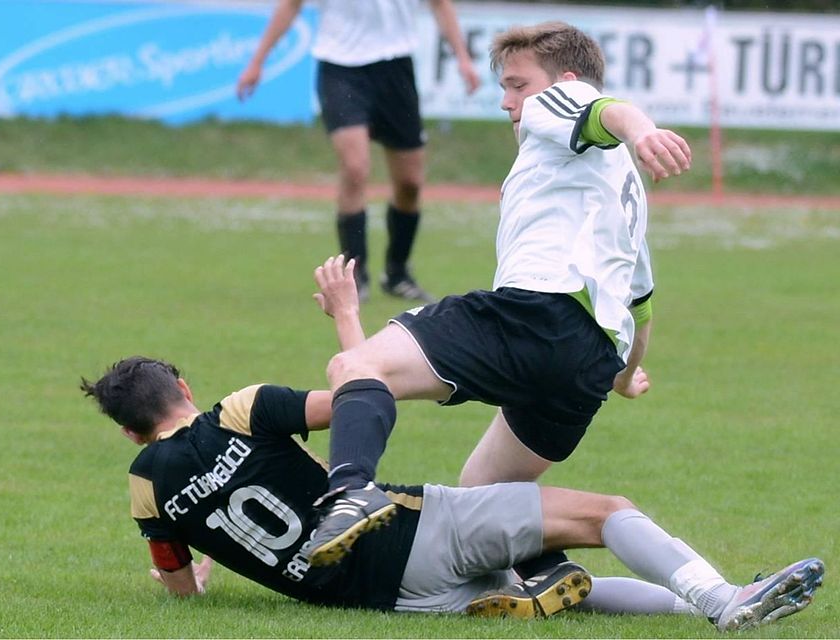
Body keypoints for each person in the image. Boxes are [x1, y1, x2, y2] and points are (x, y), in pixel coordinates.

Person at [305, 22, 693, 579]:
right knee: (483, 493)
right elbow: (642, 306)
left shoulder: (558, 105)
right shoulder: (614, 184)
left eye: (516, 85)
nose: (507, 102)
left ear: (564, 80)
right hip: (593, 359)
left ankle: (348, 494)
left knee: (357, 365)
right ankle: (556, 577)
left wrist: (644, 130)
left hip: (537, 313)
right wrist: (627, 375)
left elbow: (609, 109)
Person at [80, 356, 823, 631]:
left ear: (127, 433)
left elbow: (177, 586)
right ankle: (725, 601)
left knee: (575, 590)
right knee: (606, 513)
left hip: (368, 598)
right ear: (182, 388)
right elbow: (358, 399)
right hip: (407, 530)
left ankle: (730, 600)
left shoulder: (145, 488)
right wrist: (353, 335)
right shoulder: (237, 409)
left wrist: (198, 580)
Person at [237, 0, 481, 303]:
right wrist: (257, 62)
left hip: (395, 67)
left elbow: (440, 5)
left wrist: (463, 58)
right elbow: (291, 5)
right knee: (355, 168)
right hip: (340, 69)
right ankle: (356, 275)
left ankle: (397, 273)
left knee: (410, 183)